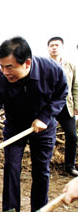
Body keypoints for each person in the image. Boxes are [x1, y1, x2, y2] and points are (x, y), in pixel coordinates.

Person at [0, 36, 68, 212]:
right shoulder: (0, 80)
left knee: (41, 171)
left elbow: (61, 94)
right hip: (15, 127)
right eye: (2, 66)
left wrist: (45, 116)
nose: (5, 72)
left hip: (43, 126)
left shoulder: (51, 70)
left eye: (10, 67)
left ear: (27, 63)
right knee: (11, 168)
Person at [47, 36, 78, 176]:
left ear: (62, 47)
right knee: (47, 136)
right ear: (48, 48)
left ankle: (69, 166)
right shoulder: (43, 65)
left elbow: (75, 86)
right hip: (49, 107)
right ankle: (45, 164)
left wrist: (76, 105)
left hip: (67, 106)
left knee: (72, 135)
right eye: (51, 45)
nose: (54, 47)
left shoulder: (70, 65)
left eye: (57, 45)